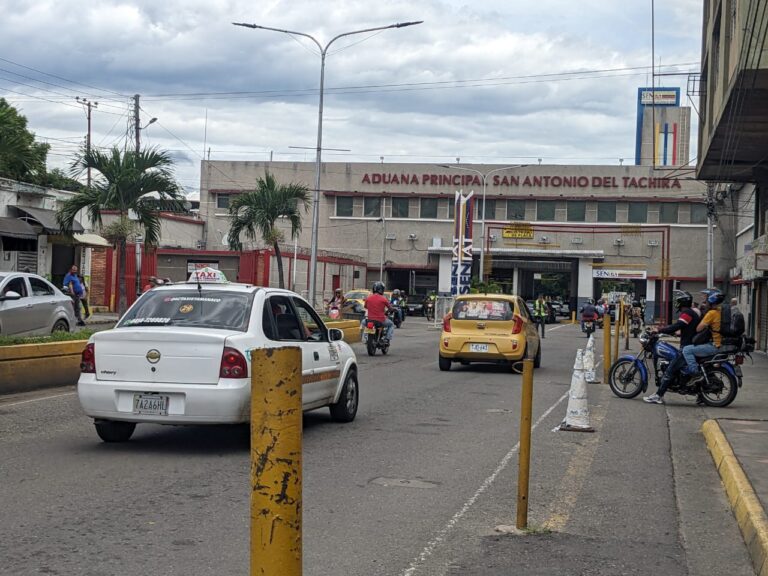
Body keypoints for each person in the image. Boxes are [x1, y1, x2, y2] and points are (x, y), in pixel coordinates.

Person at [643, 290, 701, 404]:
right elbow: (683, 328)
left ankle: (658, 396)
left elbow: (677, 325)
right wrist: (674, 333)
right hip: (689, 344)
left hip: (687, 347)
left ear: (682, 302)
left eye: (677, 300)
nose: (676, 302)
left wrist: (659, 329)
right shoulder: (690, 313)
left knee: (669, 371)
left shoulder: (687, 313)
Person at [681, 289, 725, 377]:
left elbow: (698, 329)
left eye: (706, 299)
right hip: (722, 344)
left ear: (711, 300)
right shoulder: (721, 311)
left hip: (715, 346)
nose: (705, 302)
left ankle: (695, 373)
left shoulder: (711, 313)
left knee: (687, 350)